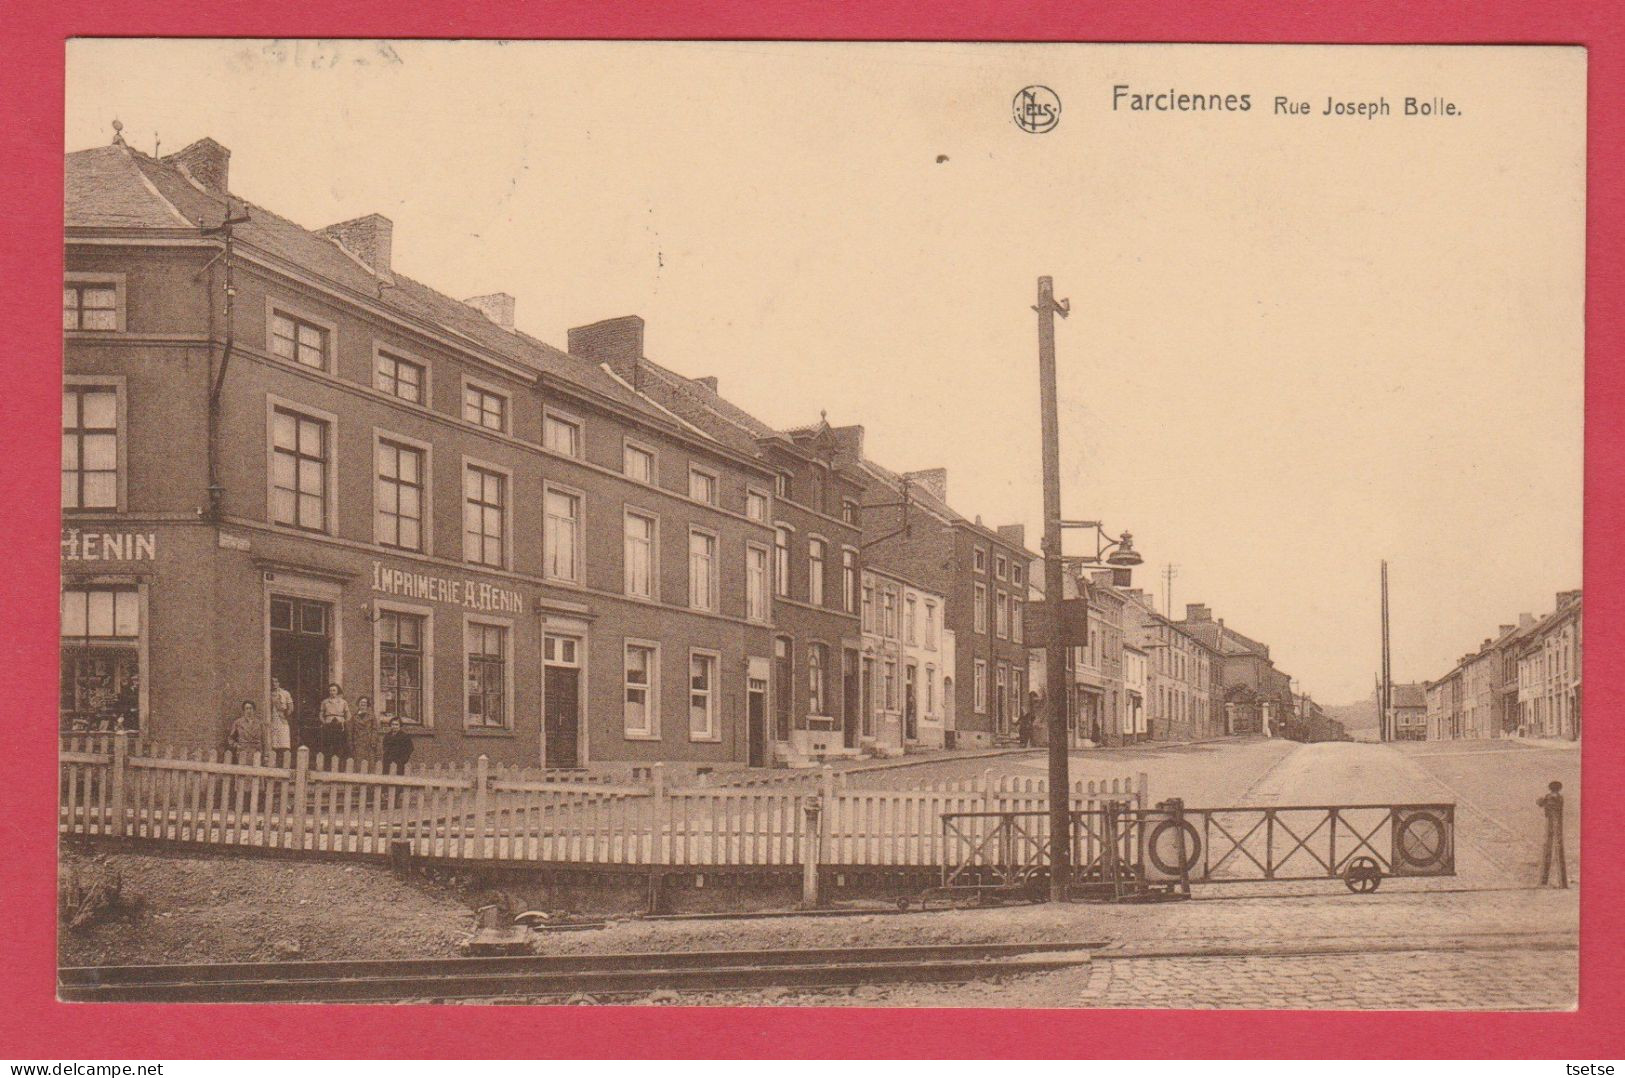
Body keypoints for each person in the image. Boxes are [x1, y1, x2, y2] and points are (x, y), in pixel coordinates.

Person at [1538, 780, 1568, 888]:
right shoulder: (1557, 797)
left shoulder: (1553, 797)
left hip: (1553, 824)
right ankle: (1561, 882)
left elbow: (1543, 804)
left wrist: (1543, 801)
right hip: (1554, 824)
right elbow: (1543, 804)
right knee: (1554, 851)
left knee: (1550, 850)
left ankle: (1546, 881)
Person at [318, 683, 352, 766]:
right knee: (328, 745)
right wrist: (324, 722)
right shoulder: (325, 702)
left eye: (334, 690)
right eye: (330, 690)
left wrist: (344, 722)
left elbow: (348, 714)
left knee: (339, 745)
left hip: (339, 725)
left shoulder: (343, 702)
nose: (332, 692)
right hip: (329, 723)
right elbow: (321, 714)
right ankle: (328, 765)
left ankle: (339, 765)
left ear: (337, 691)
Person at [268, 677, 293, 764]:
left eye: (276, 682)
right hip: (271, 719)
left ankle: (284, 763)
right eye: (272, 682)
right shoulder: (268, 693)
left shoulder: (285, 693)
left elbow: (291, 708)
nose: (274, 684)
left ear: (280, 683)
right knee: (273, 743)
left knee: (283, 743)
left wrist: (285, 715)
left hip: (282, 720)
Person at [351, 695, 380, 763]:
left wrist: (373, 741)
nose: (363, 704)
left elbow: (374, 729)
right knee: (358, 763)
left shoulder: (372, 716)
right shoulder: (354, 717)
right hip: (358, 742)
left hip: (369, 742)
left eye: (365, 702)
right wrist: (352, 743)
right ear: (358, 704)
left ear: (367, 705)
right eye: (361, 702)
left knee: (369, 763)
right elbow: (351, 731)